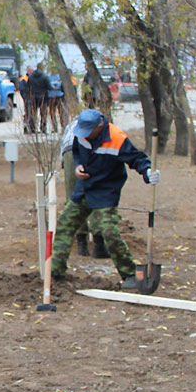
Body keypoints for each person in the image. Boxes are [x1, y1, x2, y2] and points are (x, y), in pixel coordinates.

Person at [51, 109, 159, 288]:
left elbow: (137, 159)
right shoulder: (82, 134)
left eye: (88, 132)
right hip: (84, 187)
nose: (84, 135)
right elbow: (76, 152)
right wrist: (78, 166)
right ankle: (56, 273)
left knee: (109, 231)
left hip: (106, 190)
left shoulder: (117, 138)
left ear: (100, 126)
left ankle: (131, 275)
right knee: (65, 223)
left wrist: (148, 173)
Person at [59, 116, 109, 259]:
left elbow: (62, 149)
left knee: (74, 198)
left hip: (68, 153)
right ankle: (98, 245)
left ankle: (82, 245)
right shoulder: (101, 126)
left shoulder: (70, 125)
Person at [28, 65, 52, 133]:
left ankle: (32, 128)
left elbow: (28, 87)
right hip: (43, 97)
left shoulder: (31, 76)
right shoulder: (45, 76)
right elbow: (49, 87)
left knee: (33, 113)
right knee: (43, 114)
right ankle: (43, 128)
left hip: (33, 97)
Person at [18, 66, 34, 132]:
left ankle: (32, 128)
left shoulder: (32, 78)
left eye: (32, 70)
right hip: (27, 98)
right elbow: (22, 89)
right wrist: (25, 97)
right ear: (27, 70)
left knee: (32, 114)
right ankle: (26, 128)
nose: (31, 72)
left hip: (32, 99)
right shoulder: (24, 79)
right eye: (30, 70)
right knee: (27, 114)